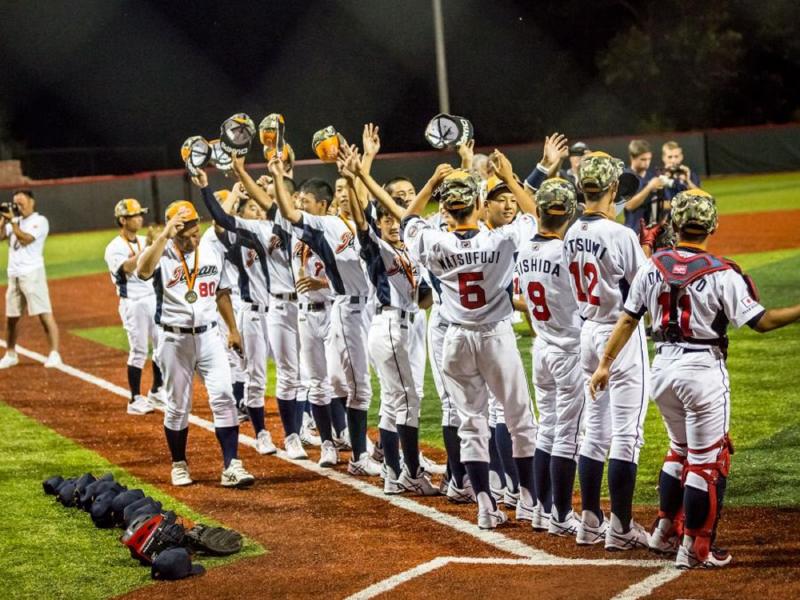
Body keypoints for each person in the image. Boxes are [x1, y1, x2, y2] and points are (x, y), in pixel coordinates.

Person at [589, 189, 800, 568]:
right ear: (712, 226)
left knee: (679, 451)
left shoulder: (652, 266)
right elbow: (761, 322)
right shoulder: (722, 272)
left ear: (675, 224)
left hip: (662, 369)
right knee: (707, 462)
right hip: (702, 371)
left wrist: (605, 363)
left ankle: (662, 530)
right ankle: (694, 549)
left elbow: (627, 318)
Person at [402, 151, 539, 530]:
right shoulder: (501, 240)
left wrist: (431, 184)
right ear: (479, 205)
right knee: (520, 421)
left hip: (455, 339)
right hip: (495, 336)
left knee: (471, 423)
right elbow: (534, 217)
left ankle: (483, 503)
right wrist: (511, 179)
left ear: (446, 207)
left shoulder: (433, 241)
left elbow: (408, 220)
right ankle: (528, 500)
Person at [236, 145, 382, 477]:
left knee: (341, 381)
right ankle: (332, 443)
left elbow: (360, 212)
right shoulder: (305, 229)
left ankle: (352, 439)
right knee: (321, 381)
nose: (300, 205)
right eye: (298, 200)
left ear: (323, 204)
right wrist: (269, 175)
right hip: (309, 312)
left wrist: (361, 166)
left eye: (306, 201)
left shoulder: (341, 226)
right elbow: (277, 208)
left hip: (338, 308)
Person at [563, 151, 650, 550]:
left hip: (588, 333)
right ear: (613, 188)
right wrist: (650, 253)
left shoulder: (570, 233)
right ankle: (621, 527)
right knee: (626, 435)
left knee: (594, 433)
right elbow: (644, 291)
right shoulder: (620, 234)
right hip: (621, 336)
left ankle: (589, 520)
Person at [339, 148, 438, 496]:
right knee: (407, 399)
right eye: (388, 220)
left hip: (412, 324)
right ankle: (410, 472)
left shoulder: (411, 249)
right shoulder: (376, 247)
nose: (394, 224)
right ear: (380, 222)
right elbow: (360, 222)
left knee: (398, 400)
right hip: (391, 325)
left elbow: (423, 296)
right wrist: (353, 181)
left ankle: (392, 472)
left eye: (396, 220)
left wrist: (435, 293)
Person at [136, 200, 254, 489]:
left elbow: (222, 292)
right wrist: (164, 236)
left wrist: (233, 330)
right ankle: (179, 464)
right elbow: (142, 271)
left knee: (224, 395)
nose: (192, 240)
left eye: (194, 233)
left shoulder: (211, 251)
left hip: (209, 336)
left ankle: (231, 465)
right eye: (185, 235)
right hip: (173, 339)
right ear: (173, 232)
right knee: (178, 405)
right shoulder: (161, 252)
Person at [516, 178, 584, 537]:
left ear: (539, 211)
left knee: (547, 429)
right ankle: (560, 514)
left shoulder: (525, 248)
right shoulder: (567, 252)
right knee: (567, 436)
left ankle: (541, 509)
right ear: (570, 213)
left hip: (541, 346)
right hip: (568, 350)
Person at [103, 198, 165, 415]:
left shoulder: (141, 240)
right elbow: (127, 268)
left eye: (140, 214)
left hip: (153, 298)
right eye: (134, 215)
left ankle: (157, 390)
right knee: (139, 350)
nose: (140, 218)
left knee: (161, 346)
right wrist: (148, 247)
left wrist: (157, 244)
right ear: (122, 220)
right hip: (133, 302)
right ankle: (134, 399)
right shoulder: (114, 247)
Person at [0, 189, 61, 369]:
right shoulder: (14, 221)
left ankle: (54, 353)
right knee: (11, 317)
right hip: (14, 274)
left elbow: (26, 239)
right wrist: (3, 221)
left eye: (21, 202)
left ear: (31, 202)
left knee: (43, 314)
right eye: (15, 203)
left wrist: (12, 222)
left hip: (32, 274)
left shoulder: (39, 221)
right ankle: (10, 353)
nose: (18, 206)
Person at [623, 139, 664, 233]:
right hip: (634, 231)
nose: (647, 163)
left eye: (649, 159)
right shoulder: (626, 177)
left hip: (653, 231)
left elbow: (664, 203)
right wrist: (649, 187)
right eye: (643, 159)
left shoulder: (653, 176)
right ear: (632, 158)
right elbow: (629, 205)